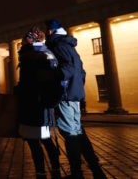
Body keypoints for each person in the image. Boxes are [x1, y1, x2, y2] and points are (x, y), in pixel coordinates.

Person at [45, 19, 107, 179]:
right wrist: (77, 86)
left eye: (48, 30)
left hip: (66, 95)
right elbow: (81, 71)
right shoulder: (68, 45)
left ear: (51, 31)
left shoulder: (58, 45)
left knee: (70, 132)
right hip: (73, 94)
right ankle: (95, 169)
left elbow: (69, 68)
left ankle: (77, 173)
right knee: (77, 131)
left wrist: (56, 80)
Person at [15, 27, 61, 178]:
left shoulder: (33, 56)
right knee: (43, 139)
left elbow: (31, 82)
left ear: (31, 39)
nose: (22, 41)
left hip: (33, 104)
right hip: (39, 104)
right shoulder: (44, 54)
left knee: (36, 141)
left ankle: (42, 172)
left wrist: (19, 90)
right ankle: (53, 169)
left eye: (25, 38)